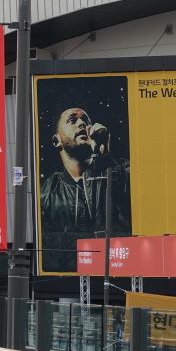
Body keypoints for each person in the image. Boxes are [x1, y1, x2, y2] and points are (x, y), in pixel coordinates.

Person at [39, 107, 131, 272]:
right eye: (72, 120)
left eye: (86, 121)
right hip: (68, 272)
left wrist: (104, 156)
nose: (82, 123)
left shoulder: (122, 168)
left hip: (119, 268)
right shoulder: (46, 192)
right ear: (56, 141)